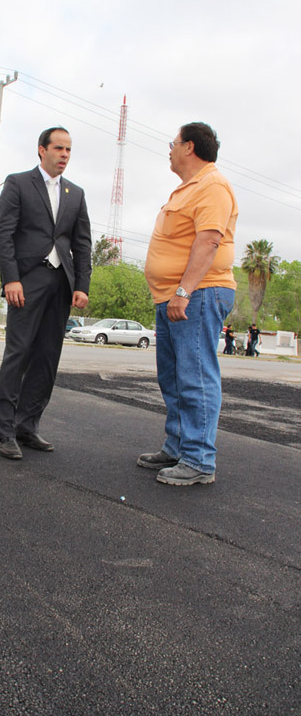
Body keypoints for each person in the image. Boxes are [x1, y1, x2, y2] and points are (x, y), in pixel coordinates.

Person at [138, 122, 238, 486]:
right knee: (173, 377)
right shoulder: (187, 188)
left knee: (195, 377)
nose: (170, 148)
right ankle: (179, 445)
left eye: (173, 142)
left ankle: (198, 460)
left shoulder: (212, 185)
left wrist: (184, 291)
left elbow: (209, 241)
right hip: (173, 297)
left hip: (197, 293)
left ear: (189, 147)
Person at [0, 127, 92, 459]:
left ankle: (28, 425)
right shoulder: (18, 183)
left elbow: (82, 244)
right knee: (18, 353)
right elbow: (5, 235)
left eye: (69, 150)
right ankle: (5, 432)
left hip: (61, 285)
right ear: (42, 150)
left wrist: (81, 286)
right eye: (59, 148)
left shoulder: (75, 193)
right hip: (26, 281)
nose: (64, 154)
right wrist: (11, 279)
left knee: (48, 357)